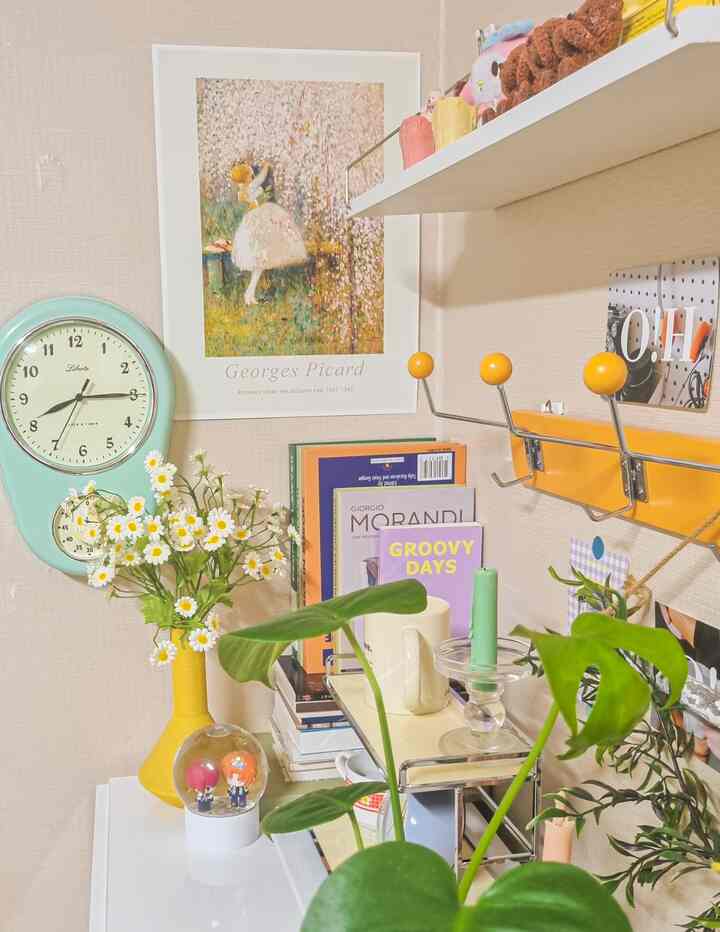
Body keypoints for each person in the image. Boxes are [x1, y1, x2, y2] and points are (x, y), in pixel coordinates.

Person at [229, 161, 308, 306]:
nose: (251, 175)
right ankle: (249, 294)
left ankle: (249, 294)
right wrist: (266, 166)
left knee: (260, 261)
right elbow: (261, 178)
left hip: (256, 219)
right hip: (258, 221)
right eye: (248, 174)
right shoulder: (250, 187)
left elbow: (258, 183)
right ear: (246, 177)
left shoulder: (243, 190)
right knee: (261, 258)